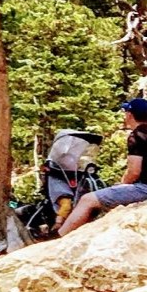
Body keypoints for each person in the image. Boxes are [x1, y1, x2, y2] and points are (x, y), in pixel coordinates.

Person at [56, 98, 147, 236]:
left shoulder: (137, 135)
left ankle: (59, 237)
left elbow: (134, 171)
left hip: (144, 188)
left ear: (129, 115)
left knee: (88, 199)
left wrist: (122, 184)